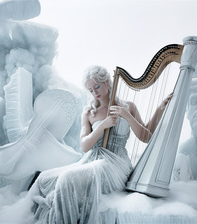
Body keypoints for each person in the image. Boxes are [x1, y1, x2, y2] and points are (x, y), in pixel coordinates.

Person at [26, 65, 171, 223]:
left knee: (67, 178)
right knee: (44, 179)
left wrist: (130, 115)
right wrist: (102, 125)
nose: (95, 93)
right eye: (90, 90)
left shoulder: (128, 107)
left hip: (116, 164)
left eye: (97, 86)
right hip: (92, 158)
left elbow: (146, 136)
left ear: (107, 82)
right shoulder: (89, 112)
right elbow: (85, 146)